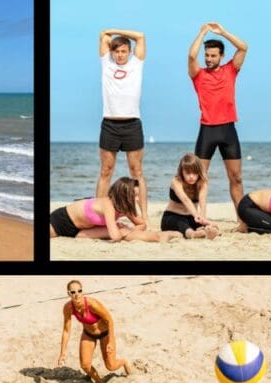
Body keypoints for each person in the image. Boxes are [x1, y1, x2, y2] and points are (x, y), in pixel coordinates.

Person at [188, 22, 248, 214]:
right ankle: (197, 216)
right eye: (206, 55)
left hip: (228, 130)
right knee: (197, 178)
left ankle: (242, 219)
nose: (209, 59)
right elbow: (191, 55)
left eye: (213, 55)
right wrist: (202, 32)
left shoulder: (230, 70)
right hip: (207, 130)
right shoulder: (198, 75)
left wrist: (223, 32)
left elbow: (243, 47)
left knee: (236, 177)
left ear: (221, 56)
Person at [97, 28, 148, 223]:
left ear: (129, 51)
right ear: (112, 52)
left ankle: (144, 215)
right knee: (106, 171)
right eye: (116, 51)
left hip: (132, 124)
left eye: (124, 51)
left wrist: (113, 30)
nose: (120, 55)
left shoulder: (137, 63)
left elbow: (141, 36)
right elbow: (103, 37)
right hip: (110, 124)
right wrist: (107, 34)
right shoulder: (106, 62)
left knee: (137, 172)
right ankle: (99, 214)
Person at [50, 177, 182, 242]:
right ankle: (159, 236)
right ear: (123, 195)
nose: (137, 199)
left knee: (124, 232)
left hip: (80, 232)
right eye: (134, 195)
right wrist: (121, 229)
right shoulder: (108, 204)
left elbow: (142, 224)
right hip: (61, 220)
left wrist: (129, 229)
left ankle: (159, 236)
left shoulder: (124, 207)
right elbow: (115, 236)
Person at [57, 280, 133, 383]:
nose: (77, 295)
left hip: (105, 333)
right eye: (73, 292)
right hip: (88, 334)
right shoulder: (68, 308)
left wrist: (110, 341)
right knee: (85, 365)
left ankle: (124, 362)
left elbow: (110, 320)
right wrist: (62, 353)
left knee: (111, 366)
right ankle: (99, 382)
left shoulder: (92, 304)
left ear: (82, 291)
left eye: (79, 291)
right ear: (68, 294)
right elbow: (66, 330)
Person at [161, 153, 219, 239]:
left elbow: (202, 201)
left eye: (195, 173)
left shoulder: (202, 182)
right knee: (182, 225)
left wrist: (202, 218)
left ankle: (205, 231)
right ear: (182, 172)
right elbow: (185, 199)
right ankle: (193, 234)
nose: (191, 176)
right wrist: (196, 215)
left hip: (191, 217)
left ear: (199, 172)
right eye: (188, 173)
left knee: (202, 225)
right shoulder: (176, 181)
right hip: (172, 216)